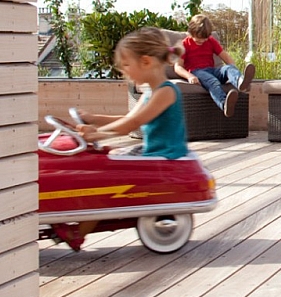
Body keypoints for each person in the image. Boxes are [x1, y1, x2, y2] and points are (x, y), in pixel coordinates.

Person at [53, 27, 190, 251]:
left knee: (106, 177)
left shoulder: (166, 92)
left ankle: (78, 232)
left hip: (163, 157)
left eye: (127, 65)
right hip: (152, 152)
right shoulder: (149, 92)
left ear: (146, 62)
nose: (124, 71)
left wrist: (97, 134)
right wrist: (94, 118)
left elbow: (131, 125)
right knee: (100, 160)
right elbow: (129, 118)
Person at [175, 13, 255, 117]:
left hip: (213, 70)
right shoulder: (185, 44)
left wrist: (234, 71)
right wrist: (190, 76)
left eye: (204, 38)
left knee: (228, 68)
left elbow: (226, 57)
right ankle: (224, 104)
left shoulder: (211, 41)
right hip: (197, 72)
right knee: (213, 82)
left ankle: (240, 82)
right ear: (191, 33)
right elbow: (177, 67)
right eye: (198, 39)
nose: (202, 41)